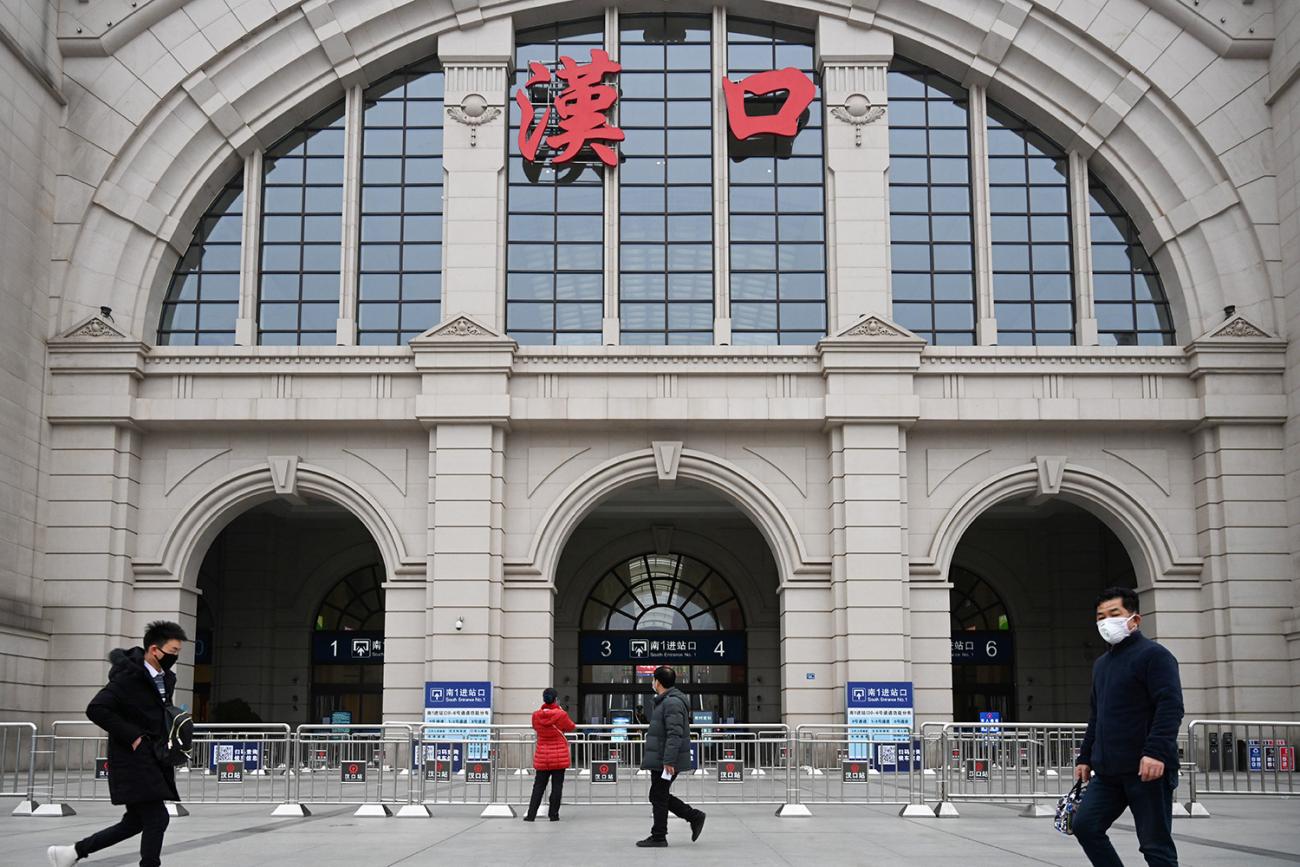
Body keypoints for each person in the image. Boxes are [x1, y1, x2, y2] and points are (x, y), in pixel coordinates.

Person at [47, 621, 187, 867]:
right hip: (134, 759)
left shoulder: (165, 679)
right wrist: (133, 736)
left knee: (135, 821)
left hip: (153, 756)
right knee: (157, 818)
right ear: (155, 650)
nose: (175, 657)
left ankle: (72, 852)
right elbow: (97, 708)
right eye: (173, 651)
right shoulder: (129, 677)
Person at [1072, 587, 1184, 867]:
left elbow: (1170, 707)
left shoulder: (1155, 656)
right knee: (1085, 825)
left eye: (1114, 614)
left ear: (1134, 620)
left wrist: (1156, 752)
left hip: (1147, 770)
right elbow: (1096, 715)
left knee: (1154, 846)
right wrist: (1085, 756)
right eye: (1100, 617)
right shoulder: (1102, 665)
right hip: (1108, 771)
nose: (1105, 622)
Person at [636, 666, 705, 848]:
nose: (652, 682)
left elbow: (674, 733)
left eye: (653, 679)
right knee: (658, 794)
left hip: (664, 760)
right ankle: (693, 817)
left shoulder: (671, 703)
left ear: (657, 682)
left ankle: (660, 835)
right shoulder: (665, 701)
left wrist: (669, 760)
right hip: (661, 757)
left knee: (658, 796)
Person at [525, 687, 575, 822]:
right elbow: (571, 726)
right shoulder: (561, 715)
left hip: (542, 755)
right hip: (559, 757)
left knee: (538, 786)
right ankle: (553, 815)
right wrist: (561, 710)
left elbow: (536, 727)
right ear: (556, 700)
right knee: (557, 786)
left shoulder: (536, 715)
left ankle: (531, 815)